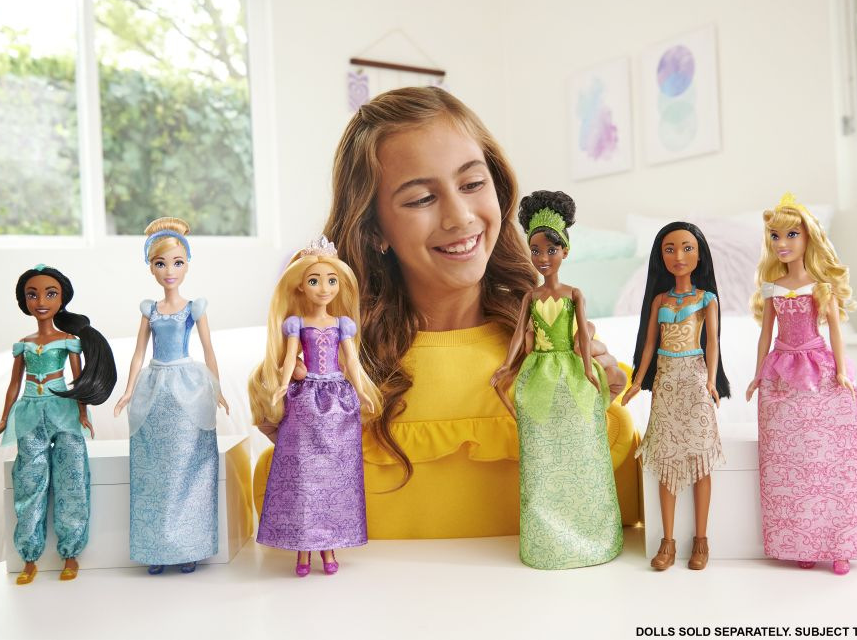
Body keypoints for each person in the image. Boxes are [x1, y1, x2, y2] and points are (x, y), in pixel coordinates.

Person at [257, 86, 641, 538]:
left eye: (473, 184)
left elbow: (627, 510)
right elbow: (284, 524)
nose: (459, 217)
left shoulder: (549, 357)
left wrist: (591, 413)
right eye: (421, 198)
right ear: (374, 229)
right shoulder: (341, 374)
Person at [745, 193, 857, 575]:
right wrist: (758, 373)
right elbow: (765, 334)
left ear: (809, 237)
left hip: (816, 369)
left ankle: (841, 546)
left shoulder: (820, 285)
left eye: (792, 234)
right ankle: (801, 541)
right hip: (781, 371)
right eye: (775, 236)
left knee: (832, 460)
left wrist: (841, 371)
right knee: (790, 462)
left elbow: (836, 331)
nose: (782, 243)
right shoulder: (772, 287)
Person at [490, 190, 623, 568]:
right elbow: (519, 335)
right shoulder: (530, 297)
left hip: (570, 371)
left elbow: (583, 335)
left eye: (551, 250)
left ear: (565, 251)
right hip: (539, 371)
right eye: (536, 250)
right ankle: (546, 542)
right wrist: (507, 365)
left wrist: (588, 369)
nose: (543, 258)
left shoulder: (573, 294)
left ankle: (593, 538)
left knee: (583, 447)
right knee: (541, 455)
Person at [249, 237, 378, 576]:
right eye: (315, 281)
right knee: (304, 478)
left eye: (331, 280)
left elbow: (352, 361)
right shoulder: (297, 324)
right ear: (300, 286)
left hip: (337, 402)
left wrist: (361, 391)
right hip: (306, 401)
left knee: (335, 477)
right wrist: (280, 387)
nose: (324, 288)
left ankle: (329, 549)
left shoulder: (341, 324)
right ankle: (303, 552)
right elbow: (290, 358)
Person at [0, 265, 116, 584]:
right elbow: (14, 385)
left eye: (50, 294)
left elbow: (79, 379)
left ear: (62, 300)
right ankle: (29, 556)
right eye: (33, 295)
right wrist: (4, 419)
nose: (41, 301)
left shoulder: (69, 341)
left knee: (72, 479)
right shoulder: (24, 344)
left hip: (64, 411)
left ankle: (70, 553)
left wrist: (83, 412)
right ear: (24, 301)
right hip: (30, 411)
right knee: (29, 481)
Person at [114, 217, 229, 575]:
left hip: (186, 388)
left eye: (177, 263)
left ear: (187, 265)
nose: (169, 271)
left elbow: (209, 351)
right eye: (161, 263)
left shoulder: (194, 308)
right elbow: (138, 353)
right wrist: (128, 390)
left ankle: (188, 546)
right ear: (150, 267)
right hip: (154, 388)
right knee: (155, 471)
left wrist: (217, 389)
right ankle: (157, 548)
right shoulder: (149, 309)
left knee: (186, 466)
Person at [621, 222, 728, 571]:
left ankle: (701, 540)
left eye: (687, 248)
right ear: (660, 256)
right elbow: (649, 343)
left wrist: (711, 381)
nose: (679, 256)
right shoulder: (660, 301)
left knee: (700, 460)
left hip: (695, 379)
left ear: (699, 254)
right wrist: (638, 380)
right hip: (666, 381)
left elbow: (712, 343)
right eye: (670, 249)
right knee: (666, 461)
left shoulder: (706, 299)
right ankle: (667, 542)